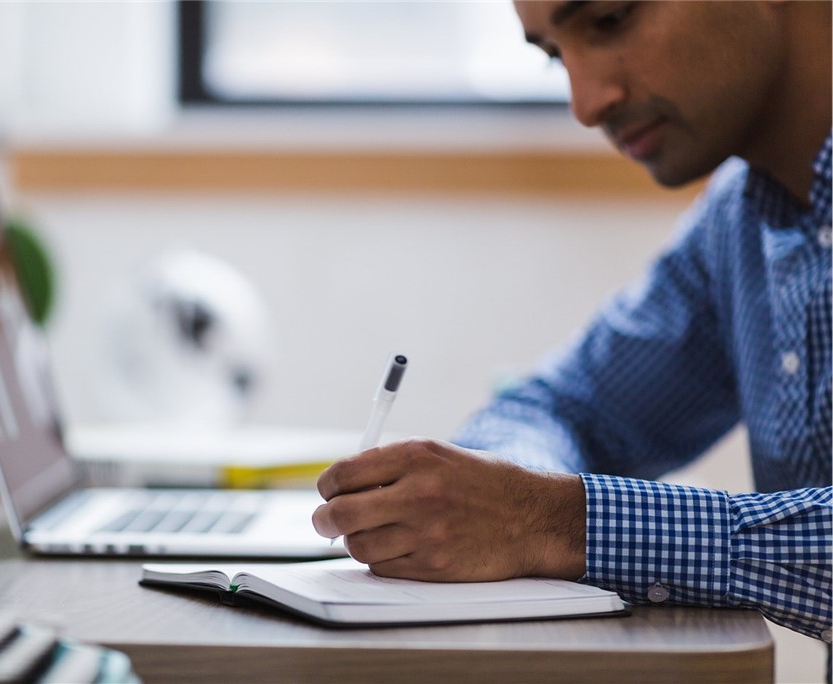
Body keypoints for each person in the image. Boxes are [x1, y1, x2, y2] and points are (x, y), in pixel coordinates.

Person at [312, 0, 832, 645]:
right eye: (556, 55)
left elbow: (548, 511)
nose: (586, 105)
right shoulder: (741, 219)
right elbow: (564, 407)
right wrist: (496, 500)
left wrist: (555, 522)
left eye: (610, 20)